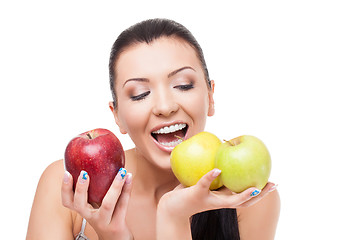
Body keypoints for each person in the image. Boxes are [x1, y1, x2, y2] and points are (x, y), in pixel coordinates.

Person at [27, 18, 280, 240]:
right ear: (117, 117)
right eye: (139, 94)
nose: (165, 106)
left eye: (183, 85)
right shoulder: (69, 188)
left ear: (211, 97)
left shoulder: (248, 198)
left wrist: (174, 217)